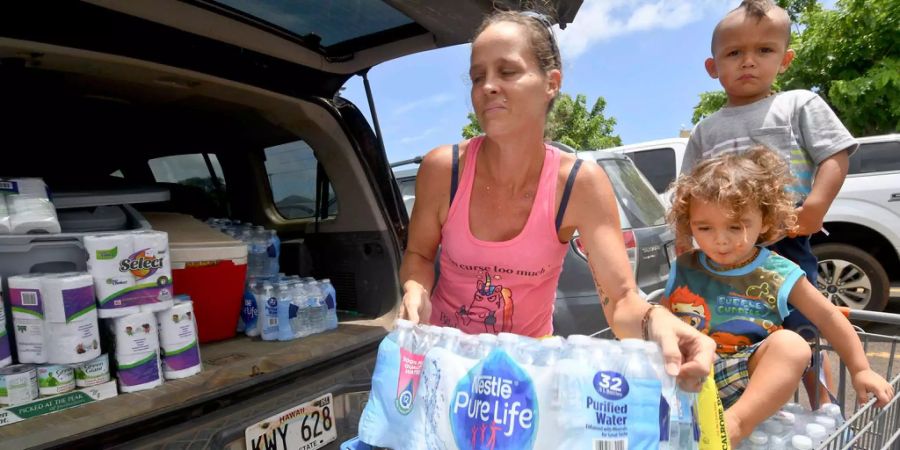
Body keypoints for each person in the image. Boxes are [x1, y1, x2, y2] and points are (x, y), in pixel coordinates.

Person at [397, 8, 716, 392]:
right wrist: (415, 288)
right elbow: (418, 257)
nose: (487, 87)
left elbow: (622, 301)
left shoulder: (579, 184)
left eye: (508, 71)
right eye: (478, 76)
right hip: (442, 365)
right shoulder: (442, 170)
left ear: (551, 83)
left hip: (526, 378)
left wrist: (656, 321)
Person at [679, 0, 858, 409]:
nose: (748, 62)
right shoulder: (706, 129)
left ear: (785, 59)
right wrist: (685, 243)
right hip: (723, 251)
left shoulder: (798, 105)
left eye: (764, 50)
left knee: (804, 330)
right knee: (729, 331)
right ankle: (739, 406)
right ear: (713, 67)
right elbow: (688, 192)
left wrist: (815, 207)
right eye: (734, 53)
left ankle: (824, 411)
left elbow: (836, 155)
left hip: (786, 238)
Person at [664, 146, 894, 446]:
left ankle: (734, 425)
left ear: (766, 220)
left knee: (792, 344)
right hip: (687, 377)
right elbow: (659, 320)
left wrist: (861, 369)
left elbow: (827, 316)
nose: (720, 240)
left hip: (746, 377)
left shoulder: (778, 270)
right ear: (688, 223)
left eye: (736, 226)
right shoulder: (685, 265)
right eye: (704, 228)